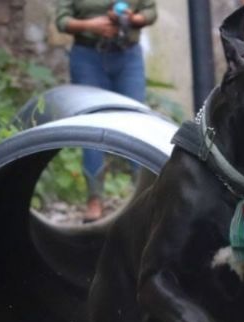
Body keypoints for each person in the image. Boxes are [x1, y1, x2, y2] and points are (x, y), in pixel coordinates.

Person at [56, 0, 158, 222]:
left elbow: (150, 12)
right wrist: (89, 25)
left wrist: (133, 19)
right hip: (87, 56)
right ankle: (94, 199)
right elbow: (61, 20)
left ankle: (144, 197)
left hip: (127, 56)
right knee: (91, 124)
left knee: (137, 123)